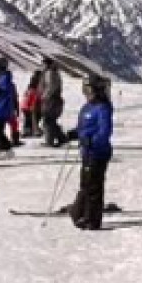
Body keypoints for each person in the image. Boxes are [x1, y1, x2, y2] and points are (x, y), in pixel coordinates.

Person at [66, 75, 114, 231]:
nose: (86, 93)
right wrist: (75, 133)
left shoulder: (103, 108)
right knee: (85, 183)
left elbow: (104, 132)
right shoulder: (87, 107)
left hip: (98, 153)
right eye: (84, 90)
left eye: (88, 89)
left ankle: (92, 220)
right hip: (87, 152)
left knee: (93, 186)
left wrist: (90, 141)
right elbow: (84, 128)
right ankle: (82, 214)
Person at [39, 56, 66, 147]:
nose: (42, 66)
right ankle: (62, 138)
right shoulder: (54, 72)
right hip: (54, 99)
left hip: (51, 99)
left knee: (48, 120)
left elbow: (51, 87)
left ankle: (49, 141)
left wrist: (44, 96)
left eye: (43, 64)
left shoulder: (49, 73)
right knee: (51, 120)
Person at [22, 70, 43, 139]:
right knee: (34, 118)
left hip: (25, 105)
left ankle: (28, 130)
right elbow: (35, 97)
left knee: (28, 119)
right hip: (31, 106)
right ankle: (33, 131)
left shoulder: (31, 84)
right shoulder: (37, 84)